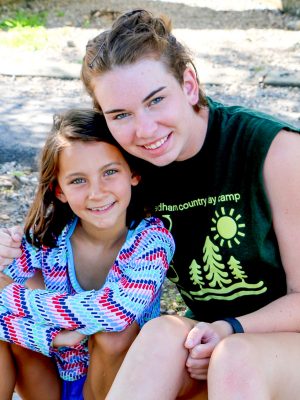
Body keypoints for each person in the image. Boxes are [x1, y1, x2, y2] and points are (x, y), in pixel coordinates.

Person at [1, 8, 300, 399]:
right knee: (162, 332)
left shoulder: (275, 152)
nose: (144, 130)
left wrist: (232, 327)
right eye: (121, 114)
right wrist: (11, 248)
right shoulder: (130, 163)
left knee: (235, 357)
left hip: (270, 339)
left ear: (189, 85)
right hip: (208, 334)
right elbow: (60, 223)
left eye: (156, 100)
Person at [0, 108, 175, 400]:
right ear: (59, 190)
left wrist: (8, 294)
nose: (97, 192)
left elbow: (115, 313)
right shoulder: (47, 237)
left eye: (109, 172)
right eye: (78, 180)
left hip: (118, 384)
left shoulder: (151, 241)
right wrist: (52, 337)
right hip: (49, 377)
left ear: (133, 173)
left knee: (114, 334)